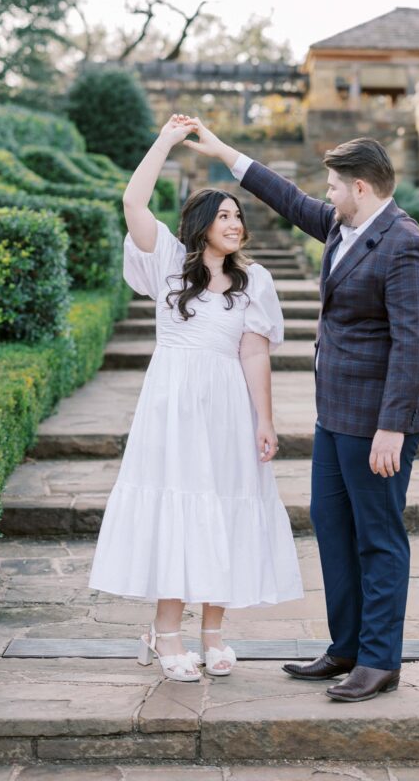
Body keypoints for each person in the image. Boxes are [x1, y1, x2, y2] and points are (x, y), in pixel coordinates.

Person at [183, 117, 419, 702]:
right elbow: (286, 197)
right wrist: (226, 152)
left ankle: (380, 661)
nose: (325, 195)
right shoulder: (340, 225)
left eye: (333, 186)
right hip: (334, 415)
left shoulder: (405, 245)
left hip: (378, 420)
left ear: (361, 188)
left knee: (378, 538)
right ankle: (346, 647)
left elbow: (412, 344)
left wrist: (391, 429)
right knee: (332, 531)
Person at [88, 114, 303, 683]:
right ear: (203, 224)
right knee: (176, 508)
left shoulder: (256, 281)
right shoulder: (165, 265)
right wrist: (163, 140)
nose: (235, 223)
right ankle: (165, 634)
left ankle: (213, 632)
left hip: (227, 406)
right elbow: (134, 204)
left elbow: (255, 354)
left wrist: (265, 420)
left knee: (224, 508)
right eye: (225, 215)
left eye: (239, 215)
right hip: (173, 403)